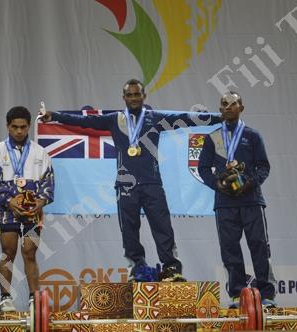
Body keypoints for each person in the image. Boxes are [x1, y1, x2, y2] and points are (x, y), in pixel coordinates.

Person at [39, 78, 223, 282]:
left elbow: (185, 118)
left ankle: (172, 268)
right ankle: (137, 268)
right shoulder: (114, 119)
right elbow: (83, 121)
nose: (134, 98)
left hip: (152, 183)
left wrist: (217, 118)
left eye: (137, 94)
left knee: (163, 227)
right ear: (123, 98)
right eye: (130, 95)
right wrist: (54, 116)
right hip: (126, 185)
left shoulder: (154, 118)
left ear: (144, 96)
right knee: (129, 230)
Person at [198, 91, 276, 308]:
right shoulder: (212, 137)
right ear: (220, 109)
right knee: (229, 248)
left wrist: (250, 183)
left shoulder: (252, 135)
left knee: (259, 246)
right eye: (224, 104)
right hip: (225, 203)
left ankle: (267, 295)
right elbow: (202, 168)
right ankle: (236, 294)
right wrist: (218, 184)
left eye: (233, 104)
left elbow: (264, 167)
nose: (228, 107)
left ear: (241, 108)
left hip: (251, 201)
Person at [0, 106, 54, 311]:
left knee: (30, 253)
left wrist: (39, 203)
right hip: (5, 209)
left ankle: (34, 299)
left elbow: (48, 182)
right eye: (14, 127)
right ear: (8, 126)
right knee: (8, 252)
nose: (19, 131)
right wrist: (10, 202)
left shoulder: (40, 152)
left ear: (28, 126)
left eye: (23, 127)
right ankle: (5, 298)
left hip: (33, 210)